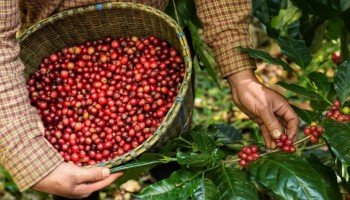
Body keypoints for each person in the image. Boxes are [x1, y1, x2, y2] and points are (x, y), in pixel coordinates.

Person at [0, 0, 299, 198]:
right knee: (72, 181)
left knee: (173, 149)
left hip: (155, 24)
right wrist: (29, 155)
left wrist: (241, 74)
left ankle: (169, 176)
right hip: (54, 30)